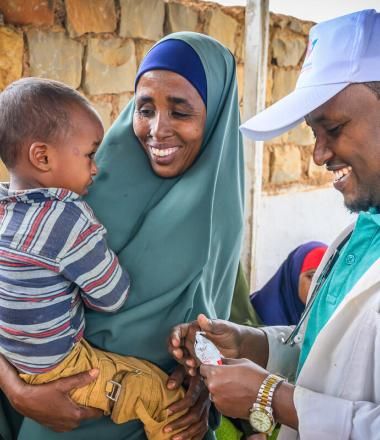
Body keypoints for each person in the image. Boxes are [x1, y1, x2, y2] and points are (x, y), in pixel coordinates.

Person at [0, 31, 245, 440]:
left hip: (148, 420)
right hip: (49, 417)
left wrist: (206, 383)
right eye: (144, 108)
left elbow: (216, 324)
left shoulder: (219, 218)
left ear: (215, 114)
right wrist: (16, 387)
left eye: (180, 112)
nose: (156, 130)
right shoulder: (79, 178)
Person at [169, 9, 380, 439]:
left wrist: (273, 399)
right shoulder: (360, 233)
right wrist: (252, 344)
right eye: (313, 132)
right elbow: (325, 354)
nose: (318, 155)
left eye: (334, 127)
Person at [0, 77, 189, 440]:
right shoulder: (69, 218)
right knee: (157, 394)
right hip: (63, 367)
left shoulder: (5, 210)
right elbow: (112, 297)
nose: (96, 169)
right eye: (89, 155)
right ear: (42, 157)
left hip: (14, 356)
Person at [249, 242, 328, 325]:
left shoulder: (330, 320)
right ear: (294, 277)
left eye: (327, 279)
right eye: (311, 276)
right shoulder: (253, 317)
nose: (320, 286)